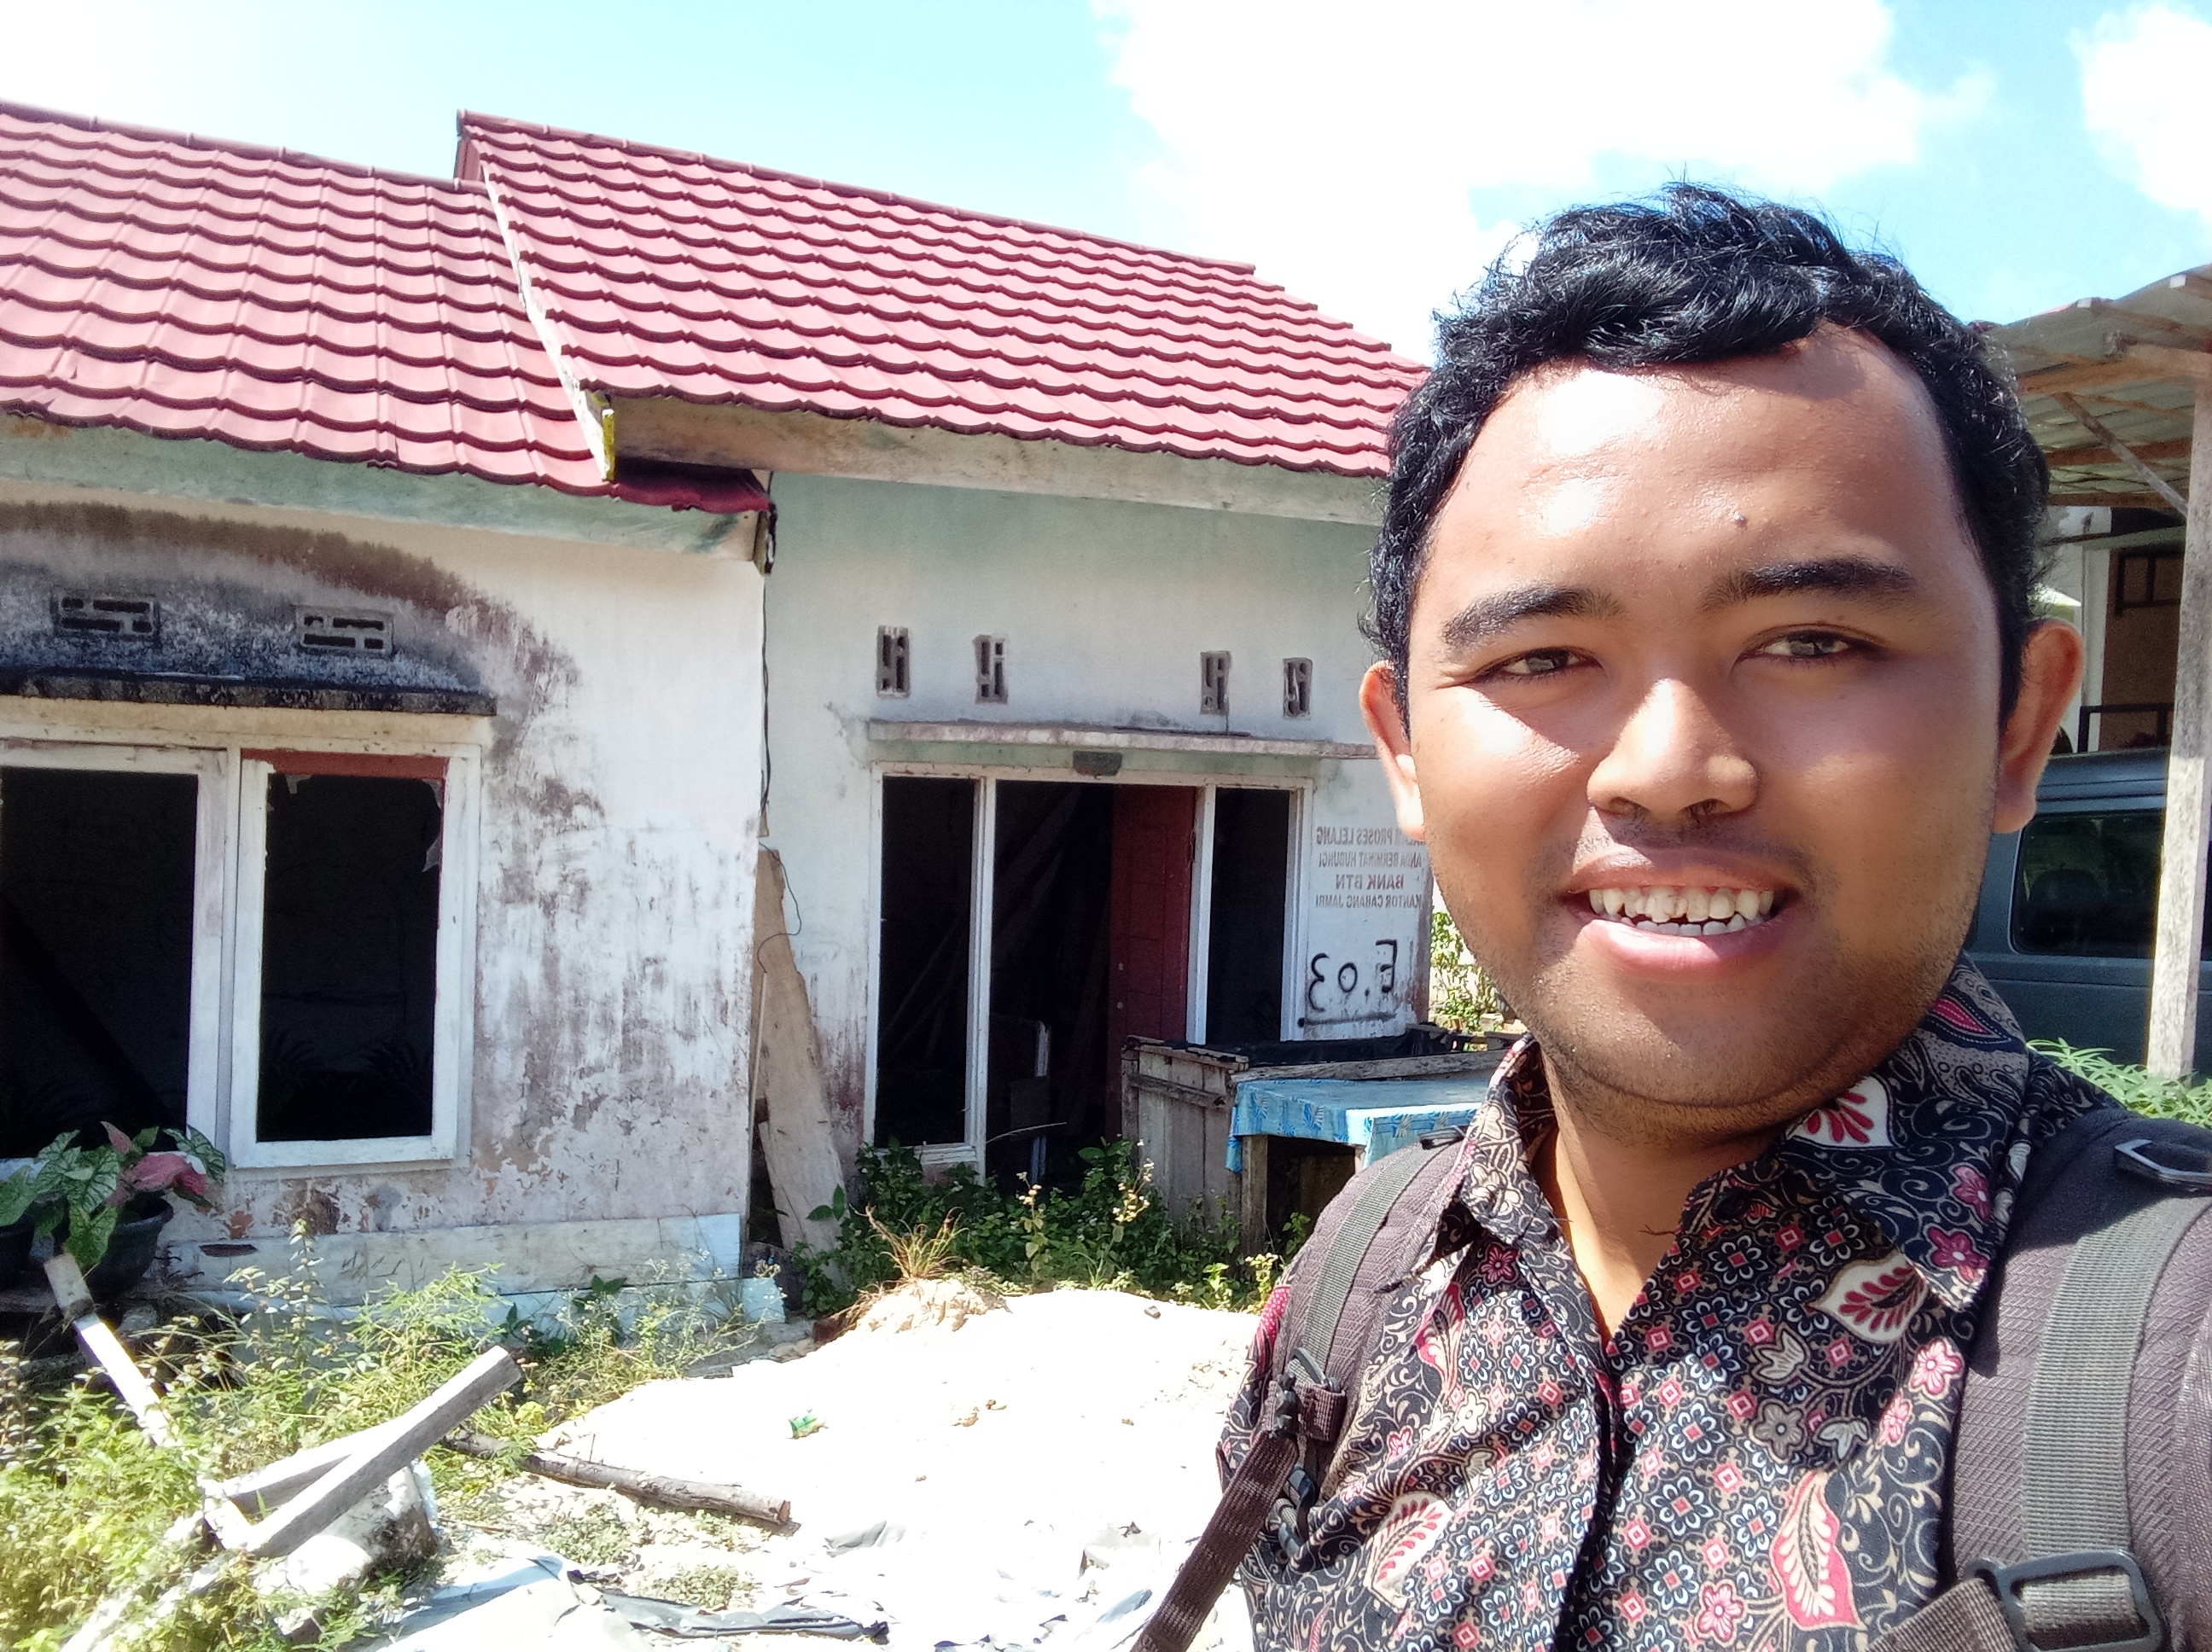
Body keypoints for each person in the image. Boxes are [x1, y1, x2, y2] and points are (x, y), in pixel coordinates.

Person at [1221, 186, 2105, 1650]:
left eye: (1812, 641)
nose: (1670, 769)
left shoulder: (2168, 1386)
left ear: (2020, 726)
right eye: (1542, 656)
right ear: (1405, 753)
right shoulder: (1351, 1298)